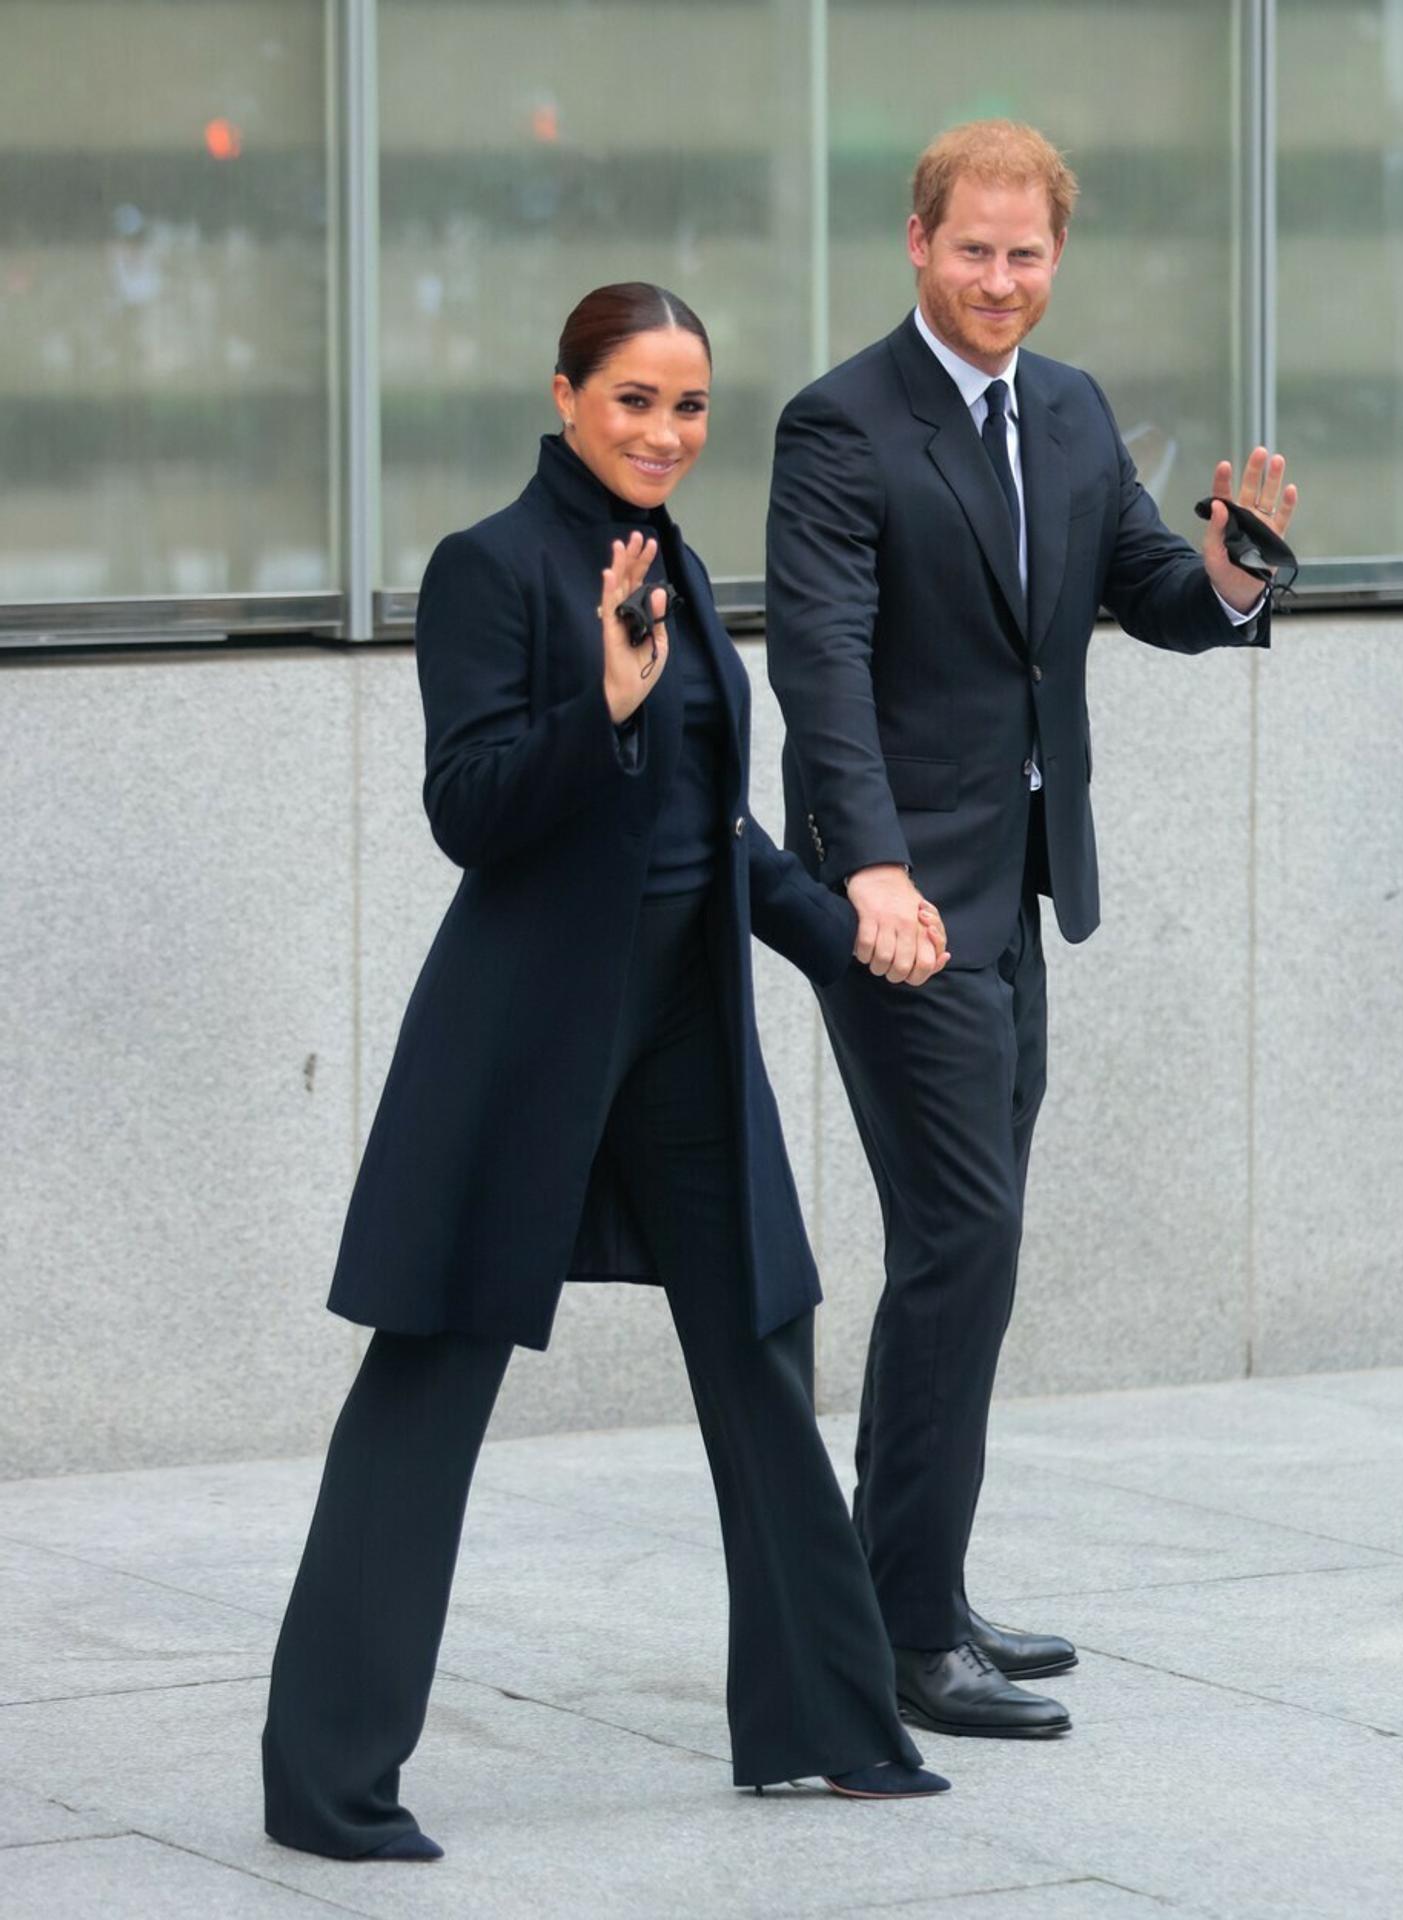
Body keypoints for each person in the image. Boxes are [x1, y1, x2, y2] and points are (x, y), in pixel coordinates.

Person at [261, 282, 953, 1863]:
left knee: (761, 1346)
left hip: (681, 1045)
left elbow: (703, 832)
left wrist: (848, 930)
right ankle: (326, 1782)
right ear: (564, 394)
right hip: (523, 1053)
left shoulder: (682, 569)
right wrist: (603, 705)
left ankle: (825, 1725)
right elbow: (473, 809)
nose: (664, 433)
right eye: (634, 399)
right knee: (427, 1379)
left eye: (690, 406)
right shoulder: (488, 567)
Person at [764, 122, 1298, 1743]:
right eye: (973, 249)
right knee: (962, 1239)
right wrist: (864, 870)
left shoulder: (1062, 411)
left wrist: (1232, 569)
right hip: (903, 909)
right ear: (916, 241)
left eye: (1026, 255)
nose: (1000, 281)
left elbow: (1148, 588)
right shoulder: (838, 423)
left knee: (968, 1251)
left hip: (1019, 897)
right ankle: (903, 1630)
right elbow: (820, 666)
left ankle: (909, 1577)